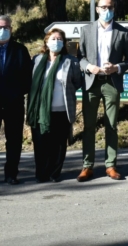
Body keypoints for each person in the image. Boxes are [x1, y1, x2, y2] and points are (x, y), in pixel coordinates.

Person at [77, 0, 128, 182]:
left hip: (112, 82)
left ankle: (110, 165)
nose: (106, 10)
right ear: (96, 9)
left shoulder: (123, 32)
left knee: (111, 125)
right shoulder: (86, 31)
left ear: (114, 8)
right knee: (89, 126)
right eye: (103, 7)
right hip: (91, 83)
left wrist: (116, 67)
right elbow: (80, 57)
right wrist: (88, 67)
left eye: (110, 7)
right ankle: (87, 166)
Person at [27, 29, 82, 182]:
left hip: (61, 109)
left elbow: (77, 82)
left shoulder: (71, 60)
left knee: (58, 144)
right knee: (41, 143)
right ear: (46, 41)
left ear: (63, 43)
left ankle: (54, 173)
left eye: (59, 39)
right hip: (40, 110)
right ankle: (41, 173)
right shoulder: (37, 60)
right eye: (53, 38)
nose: (56, 41)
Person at [0, 15, 32, 185]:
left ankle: (11, 173)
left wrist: (17, 92)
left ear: (11, 29)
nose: (2, 31)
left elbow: (28, 77)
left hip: (14, 102)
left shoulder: (20, 50)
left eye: (6, 27)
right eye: (0, 27)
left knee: (14, 140)